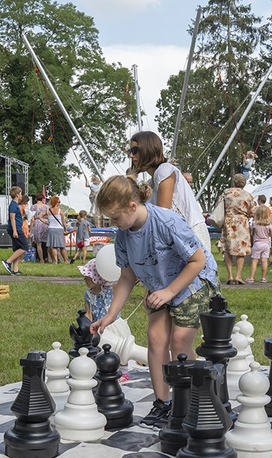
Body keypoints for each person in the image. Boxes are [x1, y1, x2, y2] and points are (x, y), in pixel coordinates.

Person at [90, 175, 219, 429]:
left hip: (192, 283)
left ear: (132, 205)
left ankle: (192, 398)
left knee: (179, 339)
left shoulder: (167, 222)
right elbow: (127, 276)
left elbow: (198, 261)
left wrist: (170, 292)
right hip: (160, 287)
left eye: (115, 217)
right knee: (156, 338)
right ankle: (163, 403)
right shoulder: (124, 235)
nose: (113, 224)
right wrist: (111, 314)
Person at [127, 131, 210, 252]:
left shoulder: (165, 171)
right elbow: (133, 210)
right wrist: (131, 180)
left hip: (190, 237)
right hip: (175, 237)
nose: (131, 156)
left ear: (148, 149)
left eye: (134, 150)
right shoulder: (151, 183)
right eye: (130, 152)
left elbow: (162, 215)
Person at [221, 173, 255, 284]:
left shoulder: (227, 193)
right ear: (244, 183)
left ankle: (230, 275)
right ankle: (238, 276)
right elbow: (252, 212)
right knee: (241, 250)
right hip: (242, 223)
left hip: (229, 221)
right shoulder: (248, 195)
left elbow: (219, 206)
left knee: (228, 249)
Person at [78, 258, 120, 323]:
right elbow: (88, 314)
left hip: (113, 326)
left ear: (97, 277)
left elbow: (128, 282)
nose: (85, 278)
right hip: (97, 327)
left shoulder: (111, 289)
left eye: (87, 276)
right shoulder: (88, 294)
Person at [2, 186, 28, 275]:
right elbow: (12, 218)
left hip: (16, 227)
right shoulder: (13, 204)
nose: (21, 195)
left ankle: (15, 269)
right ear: (17, 195)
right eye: (20, 193)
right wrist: (15, 231)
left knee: (17, 248)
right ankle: (8, 262)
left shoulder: (15, 205)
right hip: (15, 228)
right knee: (24, 247)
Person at [246, 205, 272, 283]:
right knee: (264, 261)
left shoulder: (254, 223)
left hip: (257, 243)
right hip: (266, 244)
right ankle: (263, 278)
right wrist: (267, 235)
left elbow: (251, 233)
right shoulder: (269, 224)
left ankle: (251, 278)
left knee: (254, 261)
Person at [40, 195, 70, 265]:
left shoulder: (48, 210)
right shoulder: (60, 211)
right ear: (57, 202)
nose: (59, 203)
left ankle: (55, 261)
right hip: (59, 229)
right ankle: (66, 261)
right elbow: (63, 222)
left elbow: (39, 216)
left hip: (51, 228)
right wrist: (65, 230)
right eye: (59, 202)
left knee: (53, 246)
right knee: (62, 246)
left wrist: (45, 221)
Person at [30, 194, 50, 263]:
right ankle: (47, 258)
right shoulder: (47, 207)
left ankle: (41, 259)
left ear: (36, 199)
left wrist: (30, 230)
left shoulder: (33, 207)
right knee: (47, 243)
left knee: (38, 244)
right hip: (45, 224)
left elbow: (32, 219)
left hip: (37, 224)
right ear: (42, 199)